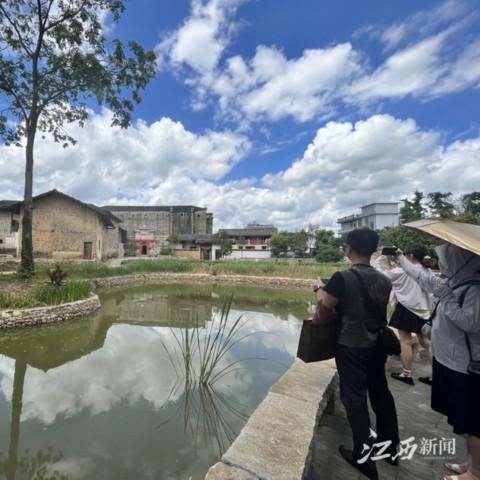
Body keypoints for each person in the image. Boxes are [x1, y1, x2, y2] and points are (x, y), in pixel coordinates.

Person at [315, 228, 399, 480]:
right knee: (381, 393)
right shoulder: (384, 280)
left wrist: (318, 290)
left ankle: (364, 457)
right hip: (377, 344)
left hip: (351, 344)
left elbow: (325, 311)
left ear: (349, 248)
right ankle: (390, 448)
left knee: (354, 398)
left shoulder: (342, 277)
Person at [398, 243, 480, 480]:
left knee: (473, 421)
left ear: (461, 260)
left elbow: (471, 323)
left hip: (465, 367)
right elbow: (421, 277)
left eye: (447, 258)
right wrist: (401, 258)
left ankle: (476, 473)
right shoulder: (453, 283)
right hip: (450, 362)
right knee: (463, 419)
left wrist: (447, 298)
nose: (442, 263)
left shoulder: (474, 289)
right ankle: (472, 463)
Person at [374, 245, 433, 385]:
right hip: (424, 310)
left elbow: (383, 276)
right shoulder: (428, 270)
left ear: (411, 256)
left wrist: (378, 261)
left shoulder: (404, 270)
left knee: (405, 341)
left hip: (407, 308)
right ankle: (436, 375)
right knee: (426, 342)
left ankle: (406, 374)